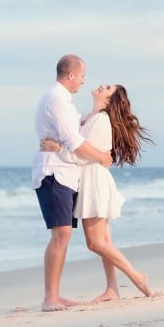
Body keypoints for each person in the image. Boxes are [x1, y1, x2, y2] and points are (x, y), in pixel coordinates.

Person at [41, 83, 155, 301]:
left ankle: (137, 276)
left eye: (108, 88)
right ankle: (112, 288)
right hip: (92, 179)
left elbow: (81, 154)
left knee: (95, 243)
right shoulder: (93, 117)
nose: (102, 85)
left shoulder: (101, 119)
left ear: (110, 100)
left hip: (94, 181)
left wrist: (55, 149)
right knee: (104, 241)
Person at [31, 54, 113, 311]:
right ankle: (50, 298)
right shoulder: (57, 99)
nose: (84, 81)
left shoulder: (63, 100)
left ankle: (54, 295)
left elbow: (76, 127)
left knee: (63, 234)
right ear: (71, 75)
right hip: (53, 173)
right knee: (61, 234)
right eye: (82, 76)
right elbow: (74, 141)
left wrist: (96, 109)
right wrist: (102, 157)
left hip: (64, 172)